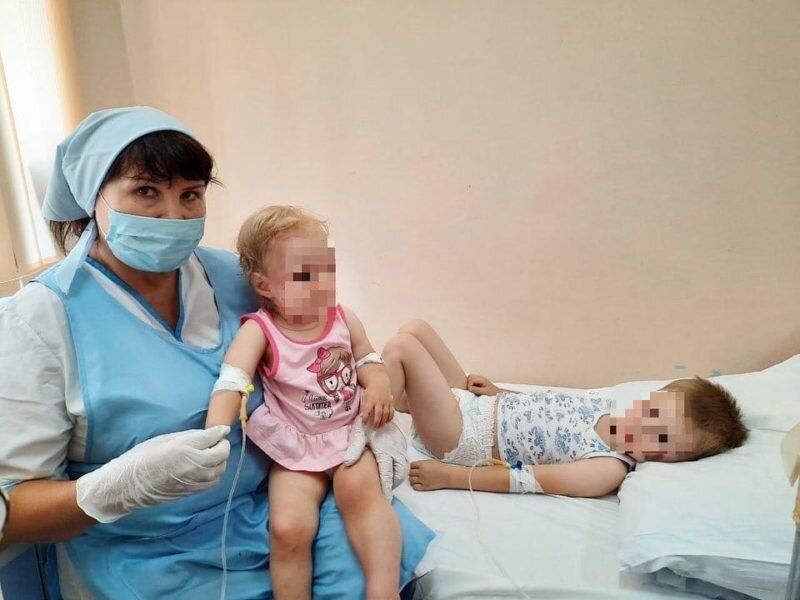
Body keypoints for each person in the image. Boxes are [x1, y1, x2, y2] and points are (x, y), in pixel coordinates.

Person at [0, 107, 433, 599]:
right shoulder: (40, 320)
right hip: (149, 553)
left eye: (190, 194)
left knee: (380, 561)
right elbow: (11, 511)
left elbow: (318, 356)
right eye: (146, 192)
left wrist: (367, 418)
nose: (173, 215)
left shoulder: (234, 278)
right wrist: (113, 489)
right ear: (93, 198)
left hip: (275, 505)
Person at [205, 205, 402, 599]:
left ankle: (384, 591)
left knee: (362, 496)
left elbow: (368, 360)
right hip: (294, 446)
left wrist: (379, 385)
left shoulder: (343, 318)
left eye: (326, 269)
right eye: (304, 275)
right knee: (288, 528)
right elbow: (232, 380)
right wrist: (213, 433)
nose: (321, 282)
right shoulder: (260, 330)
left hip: (348, 437)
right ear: (264, 286)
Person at [382, 320, 749, 498]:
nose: (647, 433)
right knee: (416, 329)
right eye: (652, 416)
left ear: (674, 458)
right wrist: (499, 392)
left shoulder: (606, 468)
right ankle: (401, 401)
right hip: (479, 404)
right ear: (648, 400)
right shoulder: (603, 404)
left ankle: (368, 434)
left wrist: (449, 477)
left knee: (402, 348)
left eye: (663, 441)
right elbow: (548, 405)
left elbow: (524, 480)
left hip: (462, 436)